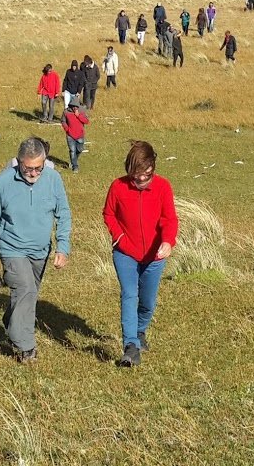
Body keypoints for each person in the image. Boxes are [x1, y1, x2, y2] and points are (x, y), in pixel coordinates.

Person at [0, 137, 72, 364]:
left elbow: (63, 214)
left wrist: (63, 247)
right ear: (19, 162)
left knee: (27, 295)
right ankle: (25, 346)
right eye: (28, 168)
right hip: (11, 248)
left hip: (40, 250)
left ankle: (12, 320)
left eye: (38, 168)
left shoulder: (53, 179)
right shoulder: (2, 183)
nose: (33, 173)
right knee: (25, 290)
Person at [103, 140, 178, 368]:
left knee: (147, 302)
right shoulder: (117, 187)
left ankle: (140, 330)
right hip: (125, 254)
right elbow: (109, 214)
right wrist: (119, 238)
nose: (142, 179)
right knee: (129, 295)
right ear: (129, 170)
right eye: (137, 175)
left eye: (147, 174)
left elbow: (170, 219)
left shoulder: (164, 187)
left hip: (154, 257)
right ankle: (131, 347)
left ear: (153, 168)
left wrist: (167, 241)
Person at [61, 100, 89, 171]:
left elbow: (86, 121)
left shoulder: (82, 111)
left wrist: (78, 115)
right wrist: (67, 129)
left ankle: (74, 160)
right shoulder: (66, 112)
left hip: (80, 135)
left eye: (76, 107)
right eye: (73, 106)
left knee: (79, 150)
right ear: (71, 106)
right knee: (72, 150)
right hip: (70, 135)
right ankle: (75, 166)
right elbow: (63, 121)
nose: (75, 108)